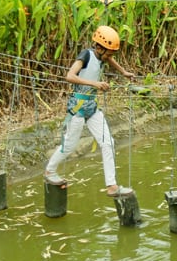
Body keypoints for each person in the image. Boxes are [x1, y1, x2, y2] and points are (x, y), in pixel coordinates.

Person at [44, 25, 135, 197]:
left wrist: (124, 72)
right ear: (99, 47)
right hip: (77, 107)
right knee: (69, 146)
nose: (109, 57)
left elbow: (109, 60)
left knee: (108, 143)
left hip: (91, 107)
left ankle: (112, 186)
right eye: (108, 53)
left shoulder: (103, 57)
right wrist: (95, 84)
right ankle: (50, 171)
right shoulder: (86, 55)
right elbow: (69, 76)